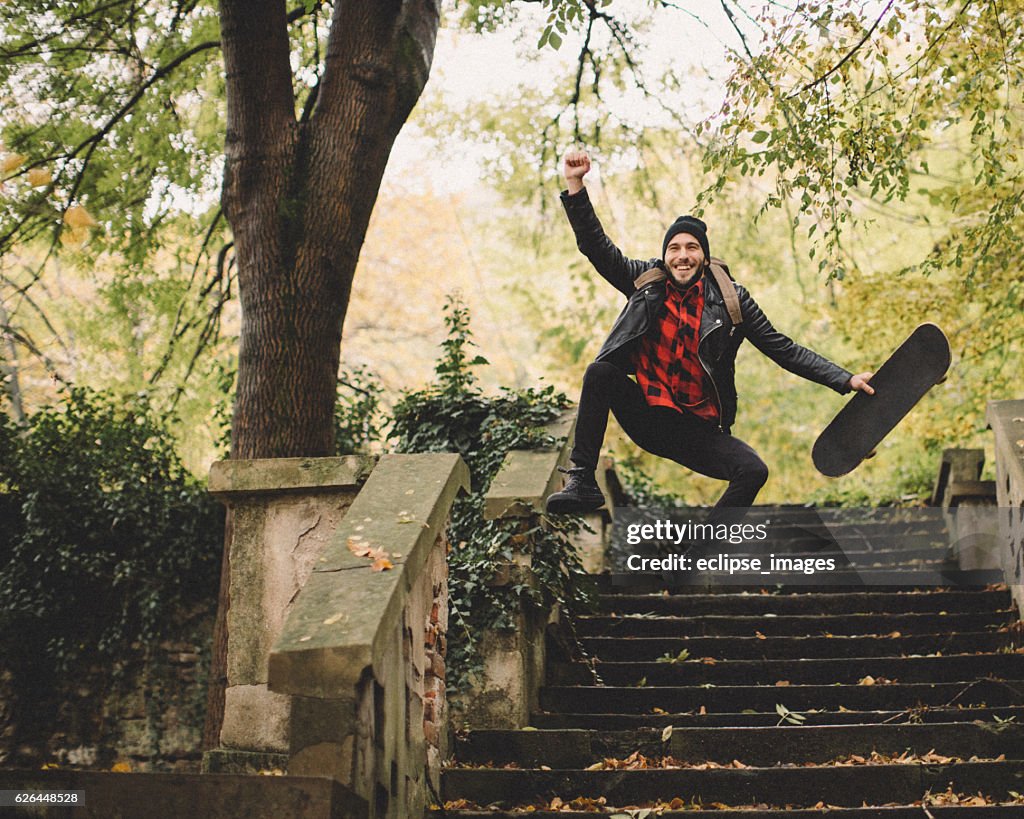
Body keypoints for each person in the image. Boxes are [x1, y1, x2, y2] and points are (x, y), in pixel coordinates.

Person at [546, 150, 874, 522]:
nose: (681, 256)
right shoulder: (644, 283)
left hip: (697, 431)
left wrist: (846, 378)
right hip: (647, 417)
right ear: (664, 256)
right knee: (600, 372)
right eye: (673, 248)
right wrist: (575, 185)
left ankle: (699, 554)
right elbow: (595, 247)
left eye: (691, 248)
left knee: (753, 471)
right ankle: (582, 481)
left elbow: (784, 349)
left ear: (704, 256)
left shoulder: (732, 300)